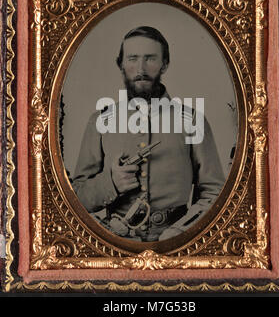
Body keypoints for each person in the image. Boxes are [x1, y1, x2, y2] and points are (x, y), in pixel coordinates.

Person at [72, 26, 225, 242]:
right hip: (115, 245)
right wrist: (111, 183)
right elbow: (75, 198)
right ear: (121, 64)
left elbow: (214, 193)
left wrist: (181, 233)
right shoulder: (100, 120)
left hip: (176, 245)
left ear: (165, 63)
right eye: (132, 58)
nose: (141, 68)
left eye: (150, 59)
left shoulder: (192, 121)